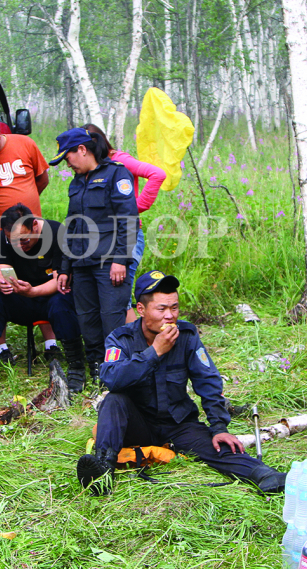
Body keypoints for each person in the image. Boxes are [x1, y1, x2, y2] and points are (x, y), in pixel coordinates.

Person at [75, 271, 286, 495]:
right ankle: (102, 470)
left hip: (178, 422)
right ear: (141, 310)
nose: (169, 316)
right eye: (161, 309)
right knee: (114, 400)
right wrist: (154, 352)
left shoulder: (186, 335)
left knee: (217, 446)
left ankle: (263, 474)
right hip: (137, 424)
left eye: (174, 308)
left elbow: (207, 380)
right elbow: (111, 378)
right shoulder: (120, 338)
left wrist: (219, 427)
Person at [50, 127, 139, 385]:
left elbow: (128, 220)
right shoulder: (76, 182)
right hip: (81, 265)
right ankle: (97, 372)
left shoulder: (116, 174)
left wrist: (120, 259)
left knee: (112, 320)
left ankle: (116, 373)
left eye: (69, 158)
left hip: (109, 264)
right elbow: (71, 226)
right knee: (87, 321)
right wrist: (65, 268)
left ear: (82, 149)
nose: (68, 164)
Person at [0, 115, 57, 363]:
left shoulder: (25, 144)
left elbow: (42, 179)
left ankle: (50, 342)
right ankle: (0, 347)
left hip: (32, 231)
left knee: (40, 275)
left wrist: (24, 211)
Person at [0, 203, 86, 389]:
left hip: (49, 297)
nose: (19, 246)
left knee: (62, 303)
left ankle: (76, 368)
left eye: (24, 240)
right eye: (13, 241)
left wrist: (32, 291)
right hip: (20, 298)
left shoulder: (56, 232)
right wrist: (1, 283)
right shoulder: (6, 238)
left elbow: (61, 280)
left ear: (34, 225)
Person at [82, 124, 165, 322]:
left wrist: (136, 208)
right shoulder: (96, 166)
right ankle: (129, 344)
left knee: (121, 297)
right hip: (105, 238)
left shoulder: (119, 160)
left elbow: (157, 174)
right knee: (115, 297)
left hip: (127, 235)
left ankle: (134, 346)